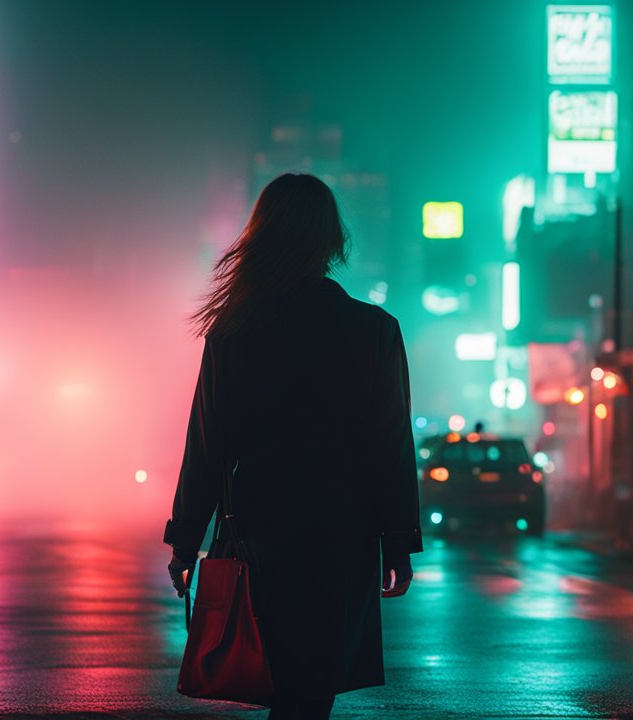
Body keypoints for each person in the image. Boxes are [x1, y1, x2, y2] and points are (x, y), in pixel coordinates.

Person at [164, 173, 422, 720]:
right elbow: (391, 447)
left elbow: (207, 443)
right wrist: (399, 543)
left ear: (262, 236)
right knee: (314, 682)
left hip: (260, 531)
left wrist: (186, 541)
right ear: (331, 239)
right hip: (342, 533)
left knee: (278, 672)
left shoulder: (234, 332)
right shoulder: (374, 330)